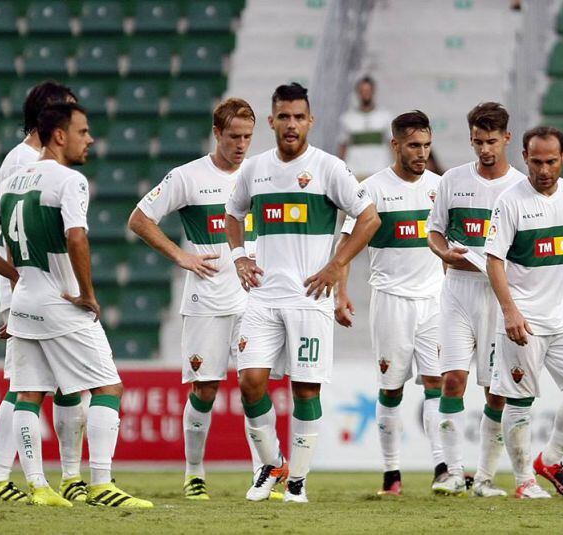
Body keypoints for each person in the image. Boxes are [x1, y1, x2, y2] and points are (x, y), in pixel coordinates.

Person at [0, 102, 152, 508]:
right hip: (61, 302)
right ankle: (101, 483)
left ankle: (39, 487)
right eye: (83, 132)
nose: (90, 139)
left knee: (28, 393)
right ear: (60, 135)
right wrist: (87, 294)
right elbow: (77, 237)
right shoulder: (69, 180)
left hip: (25, 300)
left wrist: (15, 276)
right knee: (108, 386)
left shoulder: (14, 180)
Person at [225, 83, 380, 503]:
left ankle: (298, 482)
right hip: (263, 295)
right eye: (283, 116)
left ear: (310, 121)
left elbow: (368, 218)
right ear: (272, 120)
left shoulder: (329, 168)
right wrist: (239, 256)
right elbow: (232, 213)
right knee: (250, 382)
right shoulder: (254, 169)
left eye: (298, 117)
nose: (291, 124)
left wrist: (336, 264)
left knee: (306, 390)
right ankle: (273, 464)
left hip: (309, 298)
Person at [127, 98, 280, 501]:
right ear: (217, 133)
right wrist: (182, 256)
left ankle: (266, 472)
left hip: (254, 301)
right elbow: (139, 219)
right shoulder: (188, 177)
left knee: (255, 385)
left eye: (248, 136)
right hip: (207, 302)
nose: (241, 144)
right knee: (205, 390)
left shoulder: (263, 175)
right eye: (233, 136)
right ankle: (194, 472)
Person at [0, 81, 89, 504]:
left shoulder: (26, 158)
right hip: (32, 290)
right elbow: (4, 231)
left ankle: (65, 475)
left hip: (40, 290)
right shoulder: (25, 161)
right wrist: (13, 296)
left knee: (53, 386)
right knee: (25, 386)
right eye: (69, 113)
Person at [485, 126, 563, 499]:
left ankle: (549, 460)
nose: (544, 169)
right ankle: (524, 482)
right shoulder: (509, 201)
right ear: (525, 158)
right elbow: (494, 261)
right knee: (520, 399)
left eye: (551, 161)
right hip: (524, 318)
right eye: (536, 161)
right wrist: (510, 311)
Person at [336, 110, 445, 496]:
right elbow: (346, 244)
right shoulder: (372, 190)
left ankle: (443, 469)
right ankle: (391, 473)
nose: (421, 152)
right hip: (391, 301)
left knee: (437, 383)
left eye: (426, 145)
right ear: (395, 144)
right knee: (392, 389)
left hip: (434, 300)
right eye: (414, 145)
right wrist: (341, 290)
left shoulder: (441, 187)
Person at [426, 102, 526, 497]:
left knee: (495, 391)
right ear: (470, 139)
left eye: (491, 142)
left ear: (506, 139)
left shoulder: (519, 188)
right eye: (478, 142)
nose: (485, 150)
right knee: (452, 379)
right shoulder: (451, 180)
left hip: (495, 296)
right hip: (457, 293)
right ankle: (452, 472)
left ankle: (484, 478)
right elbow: (433, 232)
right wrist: (441, 253)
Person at [337, 76, 393, 179]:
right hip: (356, 172)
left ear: (373, 91)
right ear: (358, 93)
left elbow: (393, 144)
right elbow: (343, 146)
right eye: (362, 91)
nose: (365, 94)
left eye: (368, 90)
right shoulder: (347, 118)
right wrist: (340, 171)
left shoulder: (385, 116)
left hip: (379, 170)